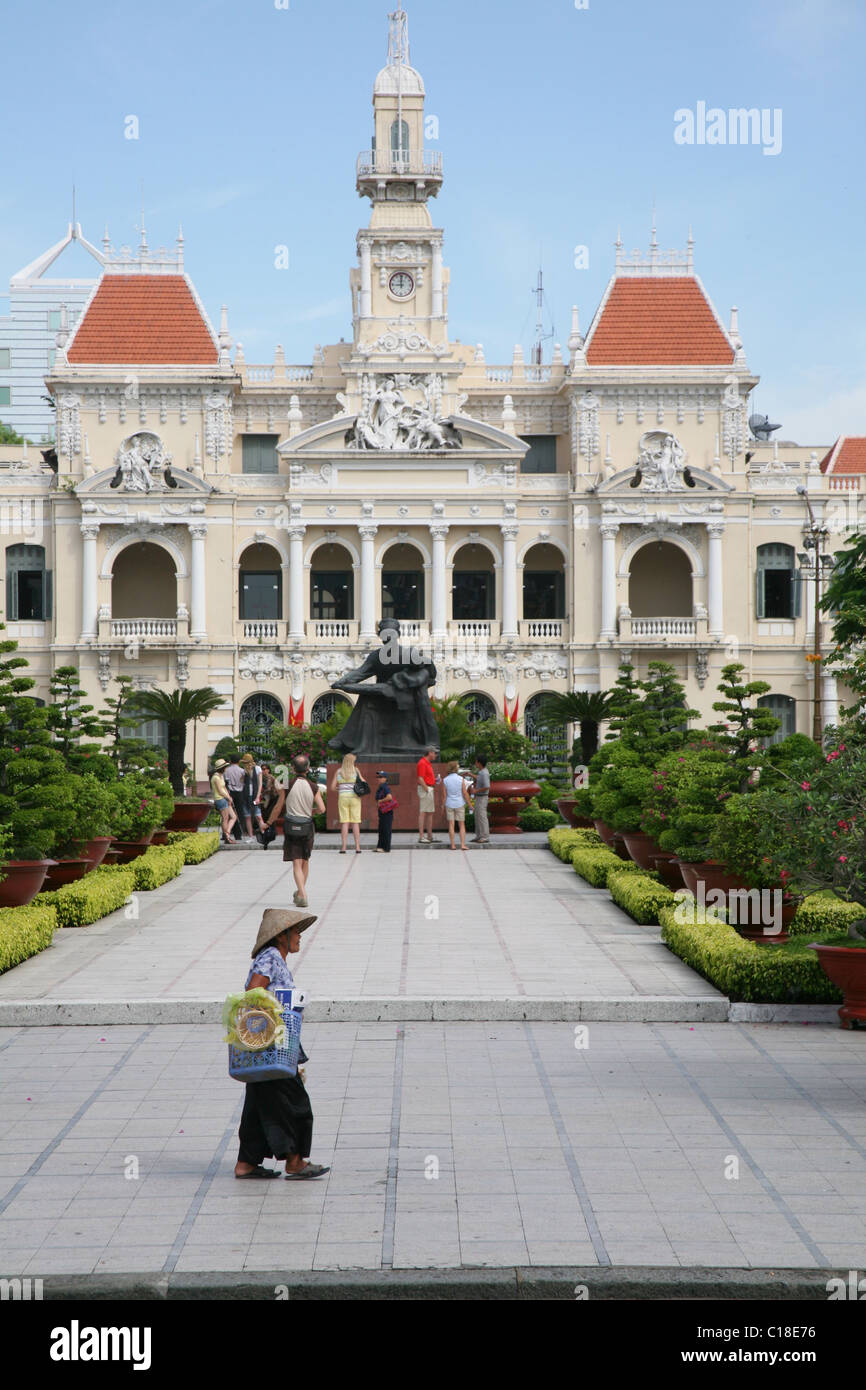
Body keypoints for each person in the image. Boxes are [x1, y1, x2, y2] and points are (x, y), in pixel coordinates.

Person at [234, 908, 330, 1181]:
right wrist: (275, 1011)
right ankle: (295, 1161)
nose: (300, 937)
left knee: (257, 1104)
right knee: (295, 1101)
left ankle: (246, 1164)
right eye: (296, 932)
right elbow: (253, 991)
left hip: (264, 1044)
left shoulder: (274, 958)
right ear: (281, 936)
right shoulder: (272, 957)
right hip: (271, 1045)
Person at [266, 755, 325, 907]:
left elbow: (278, 807)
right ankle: (300, 892)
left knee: (296, 863)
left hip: (291, 826)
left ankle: (302, 894)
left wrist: (268, 822)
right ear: (307, 768)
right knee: (305, 861)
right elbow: (322, 809)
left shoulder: (288, 785)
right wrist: (312, 812)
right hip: (307, 827)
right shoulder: (314, 787)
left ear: (292, 768)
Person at [329, 753, 363, 854]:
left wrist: (341, 788)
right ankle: (357, 847)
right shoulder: (356, 770)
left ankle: (343, 847)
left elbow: (332, 787)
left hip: (343, 798)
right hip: (355, 798)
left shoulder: (339, 771)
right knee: (355, 822)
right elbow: (363, 781)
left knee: (345, 822)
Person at [441, 760, 471, 851]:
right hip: (459, 803)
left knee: (451, 824)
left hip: (449, 803)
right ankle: (462, 845)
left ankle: (453, 845)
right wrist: (470, 804)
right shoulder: (460, 779)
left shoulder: (445, 780)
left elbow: (444, 796)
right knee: (461, 824)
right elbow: (465, 793)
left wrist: (442, 806)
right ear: (456, 768)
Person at [210, 758, 238, 845]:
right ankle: (227, 837)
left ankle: (227, 834)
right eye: (225, 767)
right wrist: (228, 798)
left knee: (233, 817)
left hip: (224, 798)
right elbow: (220, 791)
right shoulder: (216, 777)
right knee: (225, 819)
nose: (226, 768)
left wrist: (228, 797)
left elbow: (224, 788)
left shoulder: (220, 776)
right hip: (220, 799)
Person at [241, 753, 266, 843]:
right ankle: (251, 836)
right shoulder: (244, 771)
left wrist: (258, 796)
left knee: (258, 816)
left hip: (255, 794)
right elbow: (242, 783)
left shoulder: (257, 769)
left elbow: (260, 784)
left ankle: (264, 834)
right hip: (246, 795)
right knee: (247, 816)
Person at [416, 745, 439, 844]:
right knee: (423, 812)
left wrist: (435, 781)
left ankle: (429, 836)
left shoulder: (427, 763)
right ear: (429, 752)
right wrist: (427, 789)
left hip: (429, 788)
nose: (436, 755)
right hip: (426, 789)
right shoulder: (422, 763)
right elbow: (420, 778)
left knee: (429, 813)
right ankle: (422, 836)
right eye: (434, 753)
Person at [224, 755, 247, 842]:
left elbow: (225, 782)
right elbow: (244, 781)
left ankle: (227, 832)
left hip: (230, 793)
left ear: (230, 761)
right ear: (238, 761)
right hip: (240, 792)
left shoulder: (227, 770)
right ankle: (239, 834)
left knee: (229, 813)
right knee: (239, 812)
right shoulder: (242, 771)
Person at [374, 771, 397, 853]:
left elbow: (389, 797)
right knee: (381, 829)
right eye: (378, 777)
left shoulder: (385, 787)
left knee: (386, 829)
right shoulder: (381, 787)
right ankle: (380, 846)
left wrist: (380, 801)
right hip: (382, 811)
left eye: (381, 777)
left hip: (387, 812)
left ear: (385, 778)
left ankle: (386, 848)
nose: (378, 779)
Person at [471, 753, 491, 845]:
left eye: (476, 761)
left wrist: (476, 791)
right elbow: (479, 778)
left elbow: (487, 786)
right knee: (477, 816)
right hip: (480, 797)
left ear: (479, 763)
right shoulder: (482, 772)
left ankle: (484, 836)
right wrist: (471, 775)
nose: (475, 763)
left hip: (482, 797)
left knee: (482, 817)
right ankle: (479, 836)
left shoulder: (484, 773)